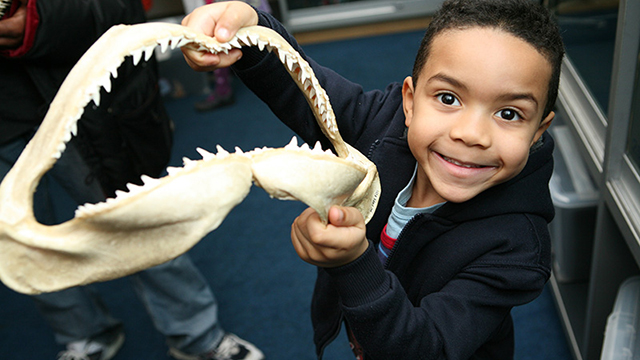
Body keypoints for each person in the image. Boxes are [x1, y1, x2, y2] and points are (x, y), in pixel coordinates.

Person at [181, 0, 564, 358]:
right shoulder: (383, 123)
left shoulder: (517, 251)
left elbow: (429, 347)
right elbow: (309, 93)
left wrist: (353, 264)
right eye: (448, 98)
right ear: (410, 102)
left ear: (538, 132)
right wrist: (250, 32)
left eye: (509, 114)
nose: (471, 134)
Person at [0, 1, 263, 360]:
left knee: (136, 217)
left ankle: (197, 335)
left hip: (76, 101)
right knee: (16, 241)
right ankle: (84, 335)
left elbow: (121, 7)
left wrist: (36, 22)